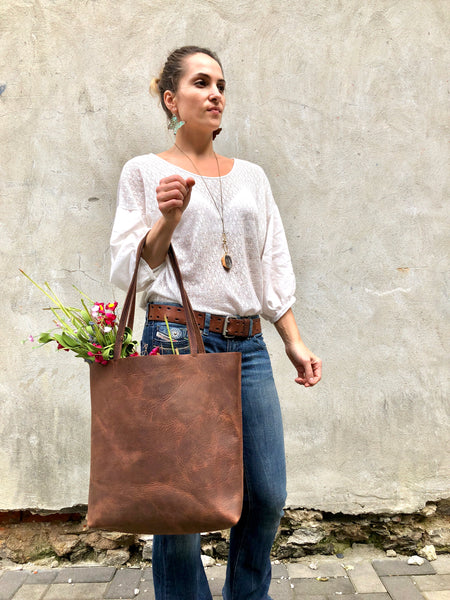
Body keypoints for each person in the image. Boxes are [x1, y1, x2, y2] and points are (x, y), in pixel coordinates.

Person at [110, 45, 321, 600]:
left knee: (266, 494)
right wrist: (168, 218)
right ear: (171, 98)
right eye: (201, 82)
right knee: (179, 500)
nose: (215, 93)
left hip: (247, 344)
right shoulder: (144, 171)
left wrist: (293, 341)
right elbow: (131, 266)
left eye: (221, 83)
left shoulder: (252, 176)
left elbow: (271, 262)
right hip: (176, 337)